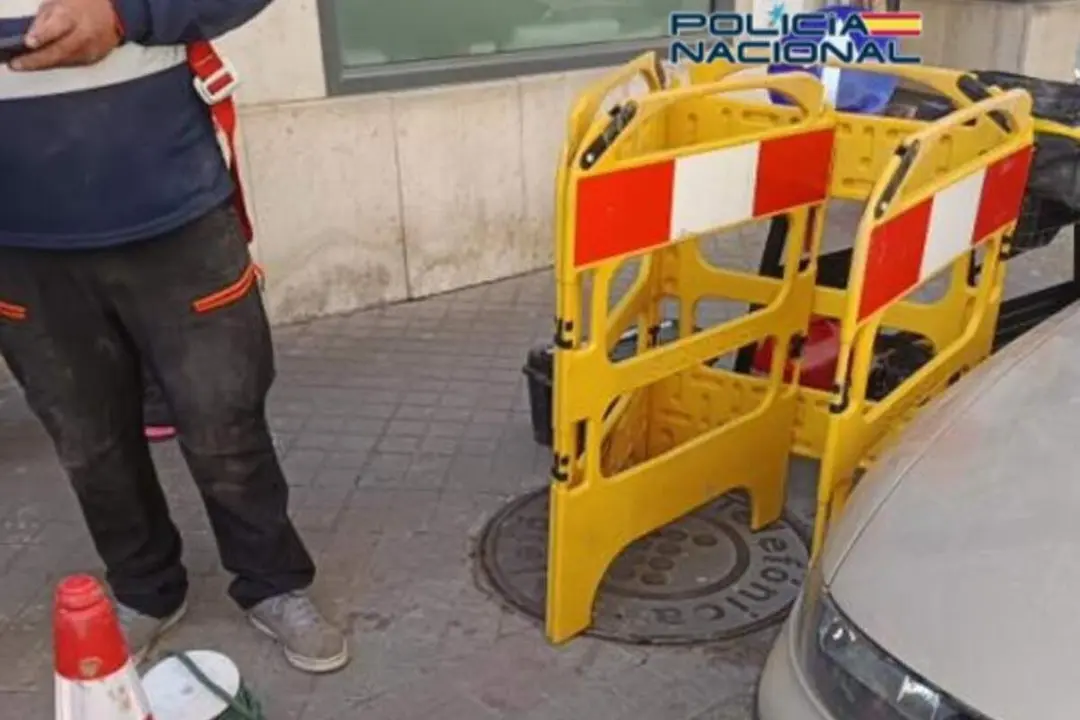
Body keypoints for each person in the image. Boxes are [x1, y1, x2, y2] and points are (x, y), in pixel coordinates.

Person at [0, 0, 349, 673]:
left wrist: (126, 13)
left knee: (225, 423)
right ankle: (144, 589)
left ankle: (272, 581)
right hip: (16, 240)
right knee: (88, 442)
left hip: (171, 208)